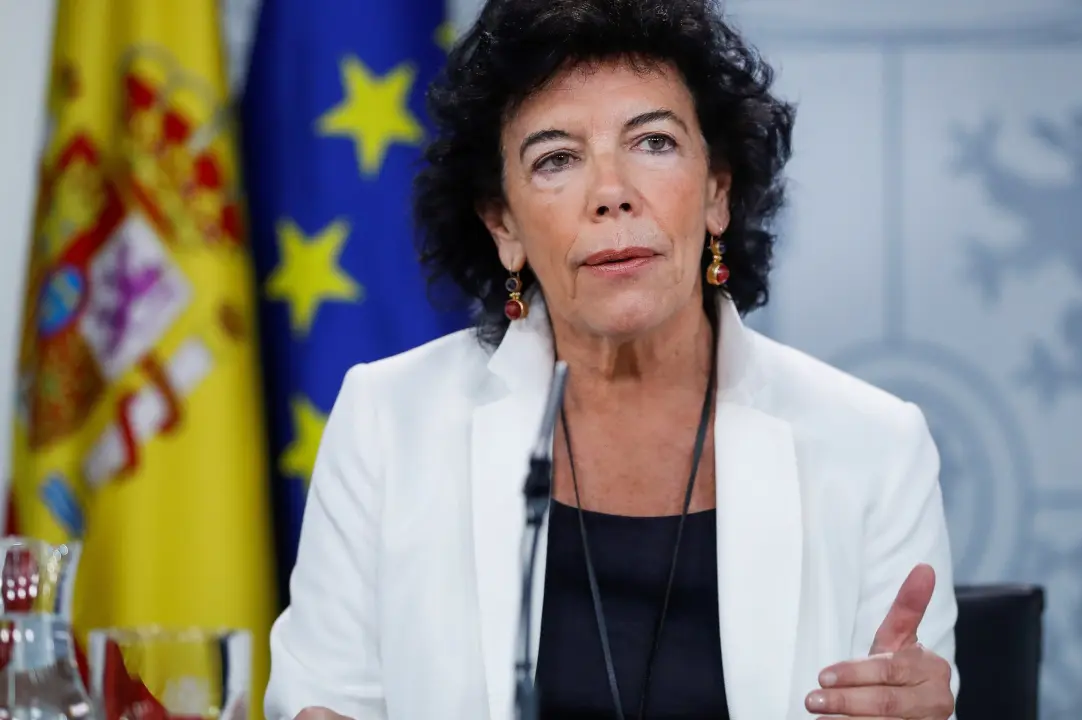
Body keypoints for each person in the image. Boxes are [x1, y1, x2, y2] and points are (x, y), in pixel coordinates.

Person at [264, 0, 959, 718]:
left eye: (653, 142)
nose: (611, 194)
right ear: (504, 225)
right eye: (556, 159)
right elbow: (321, 701)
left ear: (717, 192)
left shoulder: (873, 446)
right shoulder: (389, 422)